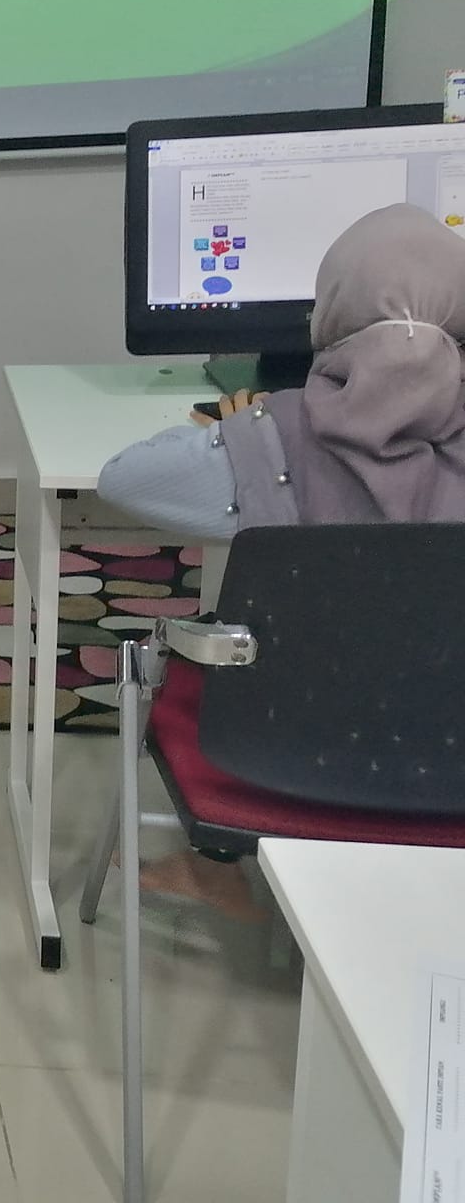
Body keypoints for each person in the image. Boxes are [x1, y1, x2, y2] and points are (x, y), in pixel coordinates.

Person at [97, 203, 465, 913]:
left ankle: (218, 867)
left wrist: (242, 424)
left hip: (275, 748)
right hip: (451, 755)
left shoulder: (272, 438)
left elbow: (123, 478)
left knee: (217, 648)